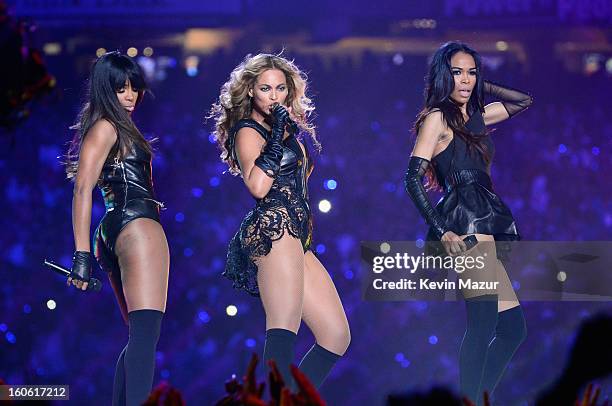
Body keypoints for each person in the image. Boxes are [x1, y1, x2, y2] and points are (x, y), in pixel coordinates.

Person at [209, 53, 350, 389]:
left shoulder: (283, 130)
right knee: (284, 329)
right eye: (265, 88)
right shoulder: (247, 130)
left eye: (280, 88)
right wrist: (275, 138)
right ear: (251, 92)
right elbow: (258, 186)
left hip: (298, 233)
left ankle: (293, 399)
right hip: (274, 227)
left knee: (336, 335)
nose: (273, 96)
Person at [404, 41, 532, 404]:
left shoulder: (476, 117)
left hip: (485, 218)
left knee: (512, 328)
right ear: (444, 75)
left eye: (471, 72)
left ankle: (478, 398)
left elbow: (523, 100)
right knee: (482, 324)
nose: (466, 80)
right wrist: (441, 228)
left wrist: (482, 84)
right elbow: (411, 179)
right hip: (463, 223)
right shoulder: (437, 118)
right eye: (457, 72)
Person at [64, 51, 169, 406]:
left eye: (134, 88)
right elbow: (82, 187)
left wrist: (84, 252)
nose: (130, 96)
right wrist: (79, 255)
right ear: (105, 90)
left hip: (115, 229)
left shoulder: (112, 125)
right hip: (136, 225)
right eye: (121, 88)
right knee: (145, 334)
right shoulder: (108, 125)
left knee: (139, 335)